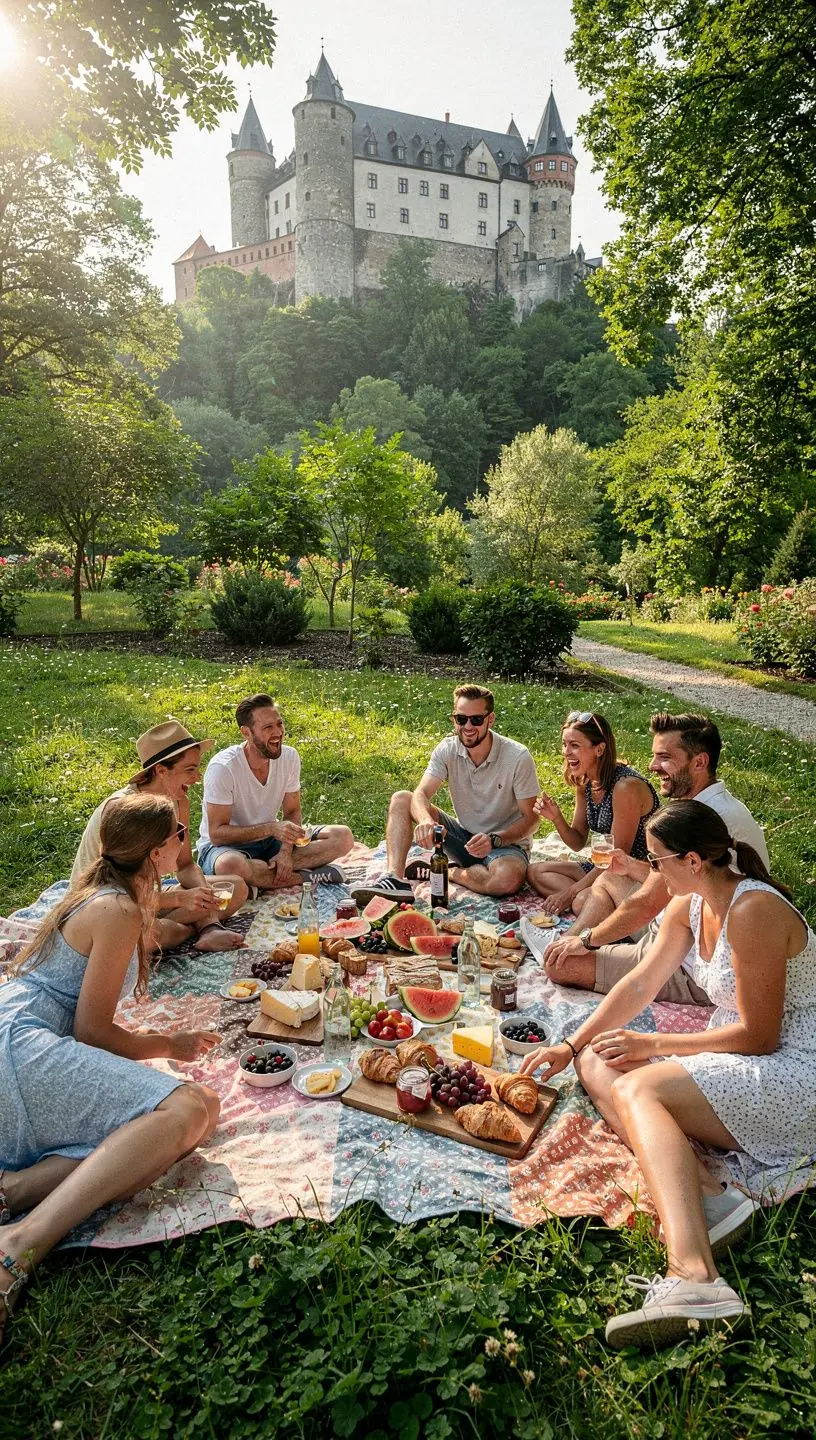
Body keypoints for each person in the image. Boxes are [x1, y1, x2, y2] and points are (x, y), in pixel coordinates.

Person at [521, 799, 816, 1349]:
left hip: (795, 1074)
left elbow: (760, 1036)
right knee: (597, 1059)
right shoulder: (689, 903)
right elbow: (638, 985)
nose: (651, 874)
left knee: (637, 1082)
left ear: (693, 861)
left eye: (657, 862)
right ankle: (709, 1195)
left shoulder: (753, 911)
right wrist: (570, 1043)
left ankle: (696, 1278)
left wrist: (653, 1042)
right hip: (745, 1058)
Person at [0, 792, 222, 1339]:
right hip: (23, 1048)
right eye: (177, 835)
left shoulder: (114, 892)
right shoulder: (117, 909)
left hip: (21, 1032)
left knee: (161, 1122)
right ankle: (19, 1242)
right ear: (153, 853)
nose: (184, 843)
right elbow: (92, 1032)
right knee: (189, 1108)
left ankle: (15, 1189)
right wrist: (168, 1043)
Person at [544, 713, 769, 1002]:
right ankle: (566, 941)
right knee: (612, 875)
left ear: (699, 762)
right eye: (654, 756)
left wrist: (588, 941)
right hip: (674, 929)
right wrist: (629, 865)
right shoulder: (707, 804)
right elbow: (667, 881)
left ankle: (568, 944)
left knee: (561, 966)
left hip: (691, 963)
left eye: (664, 757)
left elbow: (647, 903)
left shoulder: (702, 820)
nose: (652, 766)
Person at [71, 720, 248, 953]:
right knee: (145, 935)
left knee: (237, 887)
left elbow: (184, 865)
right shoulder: (124, 810)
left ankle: (196, 927)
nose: (197, 778)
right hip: (106, 903)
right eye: (190, 769)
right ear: (161, 771)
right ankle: (187, 930)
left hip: (148, 894)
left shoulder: (178, 801)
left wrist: (203, 895)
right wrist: (180, 901)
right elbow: (116, 891)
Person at [354, 684, 539, 903]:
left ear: (491, 719)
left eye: (476, 720)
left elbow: (532, 819)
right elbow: (421, 793)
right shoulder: (447, 749)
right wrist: (425, 820)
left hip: (505, 846)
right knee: (402, 799)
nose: (468, 726)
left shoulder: (517, 757)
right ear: (454, 720)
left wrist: (495, 840)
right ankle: (394, 879)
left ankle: (445, 872)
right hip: (462, 838)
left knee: (507, 880)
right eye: (461, 719)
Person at [197, 694, 354, 891]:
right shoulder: (223, 767)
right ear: (246, 732)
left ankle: (260, 878)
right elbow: (217, 834)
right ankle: (305, 876)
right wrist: (271, 828)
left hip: (271, 842)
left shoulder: (289, 757)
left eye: (279, 724)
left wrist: (286, 852)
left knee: (343, 837)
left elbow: (292, 812)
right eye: (267, 728)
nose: (278, 733)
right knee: (230, 866)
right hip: (227, 848)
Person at [526, 711, 659, 913]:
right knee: (535, 871)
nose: (566, 752)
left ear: (599, 749)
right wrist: (556, 818)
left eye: (575, 746)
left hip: (631, 874)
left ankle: (590, 903)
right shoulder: (586, 781)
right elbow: (578, 842)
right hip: (601, 867)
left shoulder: (625, 788)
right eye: (565, 744)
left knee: (579, 900)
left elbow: (616, 857)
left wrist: (569, 892)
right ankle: (591, 902)